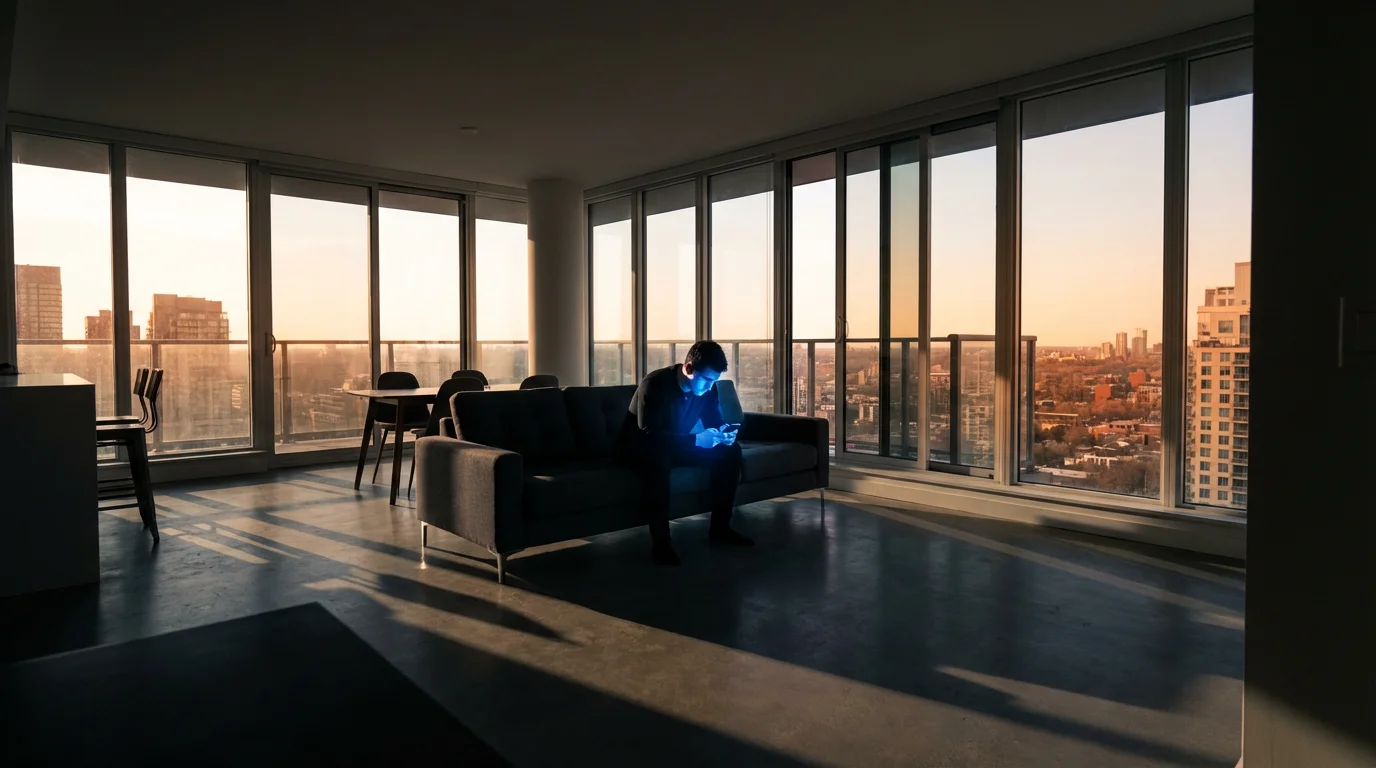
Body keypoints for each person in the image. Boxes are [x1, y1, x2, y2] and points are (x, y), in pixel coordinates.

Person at [624, 340, 754, 565]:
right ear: (690, 368)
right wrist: (696, 439)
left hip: (677, 445)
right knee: (659, 461)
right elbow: (649, 435)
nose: (709, 386)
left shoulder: (708, 386)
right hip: (642, 449)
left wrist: (724, 432)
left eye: (714, 381)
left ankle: (720, 529)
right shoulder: (654, 384)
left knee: (730, 452)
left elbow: (714, 418)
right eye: (706, 380)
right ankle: (661, 544)